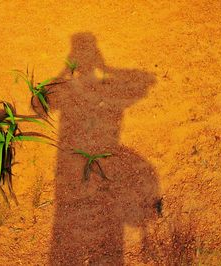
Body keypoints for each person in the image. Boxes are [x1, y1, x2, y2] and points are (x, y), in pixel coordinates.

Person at [49, 32, 159, 265]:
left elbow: (41, 100)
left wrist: (65, 74)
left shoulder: (77, 89)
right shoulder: (105, 89)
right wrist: (107, 69)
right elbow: (145, 80)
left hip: (74, 180)